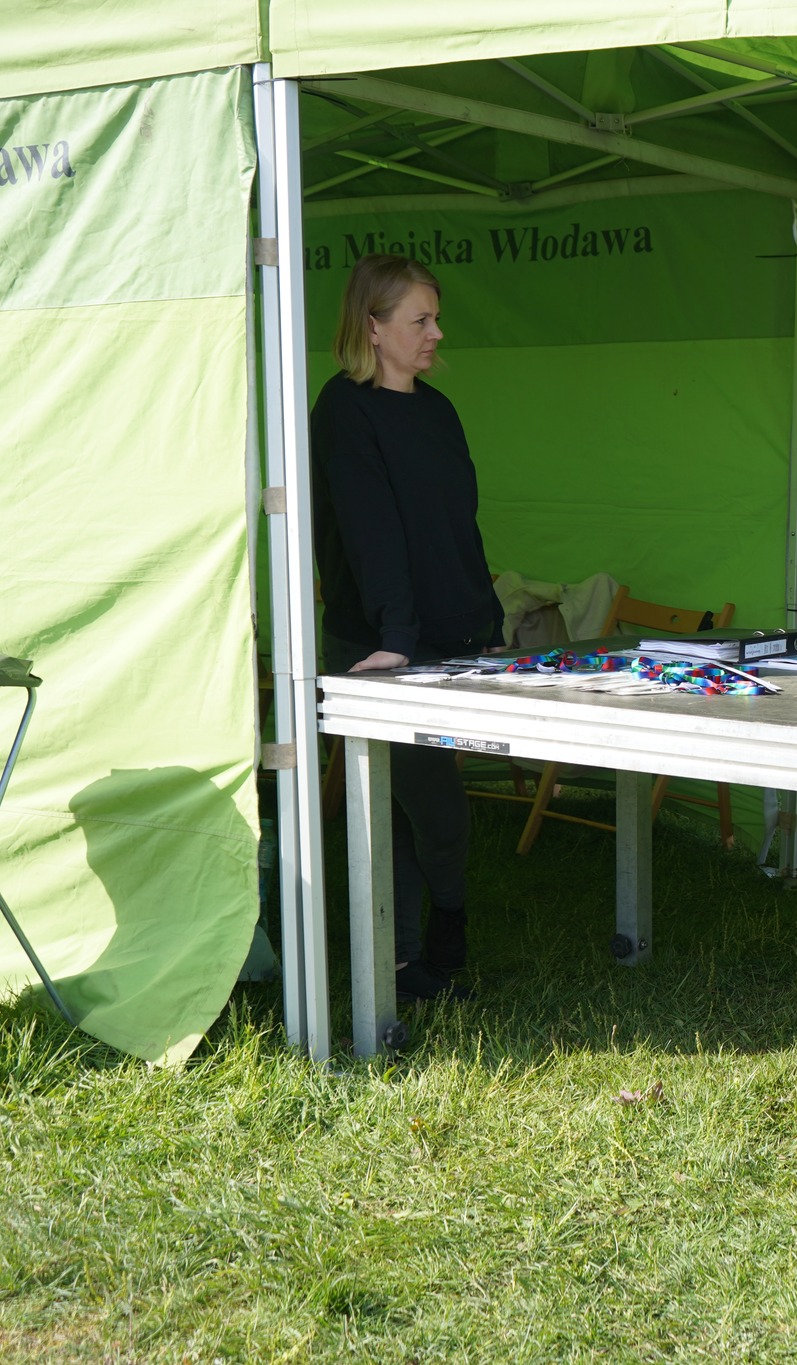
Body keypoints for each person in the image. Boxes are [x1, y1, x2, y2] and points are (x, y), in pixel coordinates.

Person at [311, 253, 503, 1003]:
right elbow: (371, 534)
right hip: (379, 646)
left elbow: (459, 527)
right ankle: (437, 939)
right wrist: (394, 638)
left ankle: (407, 957)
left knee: (406, 808)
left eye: (436, 318)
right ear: (373, 326)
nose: (436, 333)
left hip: (446, 640)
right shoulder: (344, 409)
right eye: (420, 320)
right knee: (431, 810)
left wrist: (486, 621)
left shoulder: (438, 409)